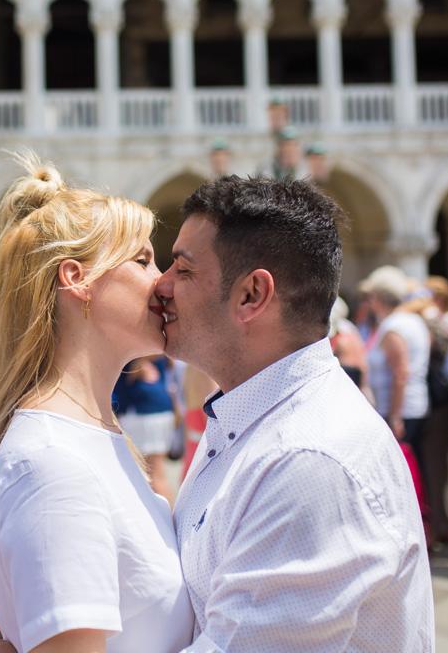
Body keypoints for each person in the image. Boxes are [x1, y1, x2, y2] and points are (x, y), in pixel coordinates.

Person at [156, 177, 433, 650]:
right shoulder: (250, 414)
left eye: (182, 270)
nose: (160, 285)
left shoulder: (305, 458)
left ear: (251, 296)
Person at [0, 158, 194, 653]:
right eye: (142, 261)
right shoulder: (54, 464)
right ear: (78, 278)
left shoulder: (90, 435)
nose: (164, 282)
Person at [362, 266, 432, 470]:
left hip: (401, 409)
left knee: (400, 469)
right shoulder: (411, 320)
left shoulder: (393, 325)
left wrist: (395, 416)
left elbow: (400, 373)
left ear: (376, 298)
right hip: (411, 405)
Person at [113, 355, 180, 504]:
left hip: (142, 410)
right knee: (156, 474)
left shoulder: (137, 349)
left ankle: (165, 525)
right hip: (155, 408)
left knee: (152, 475)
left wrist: (135, 360)